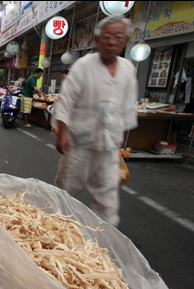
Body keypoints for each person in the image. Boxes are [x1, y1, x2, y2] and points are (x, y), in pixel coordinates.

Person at [51, 14, 138, 227]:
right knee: (65, 191)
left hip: (108, 147)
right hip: (78, 144)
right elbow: (66, 100)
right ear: (97, 40)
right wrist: (62, 132)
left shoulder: (128, 69)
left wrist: (120, 142)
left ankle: (104, 242)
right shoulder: (84, 65)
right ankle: (50, 227)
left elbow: (127, 108)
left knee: (107, 201)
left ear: (125, 41)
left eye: (118, 37)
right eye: (107, 37)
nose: (112, 42)